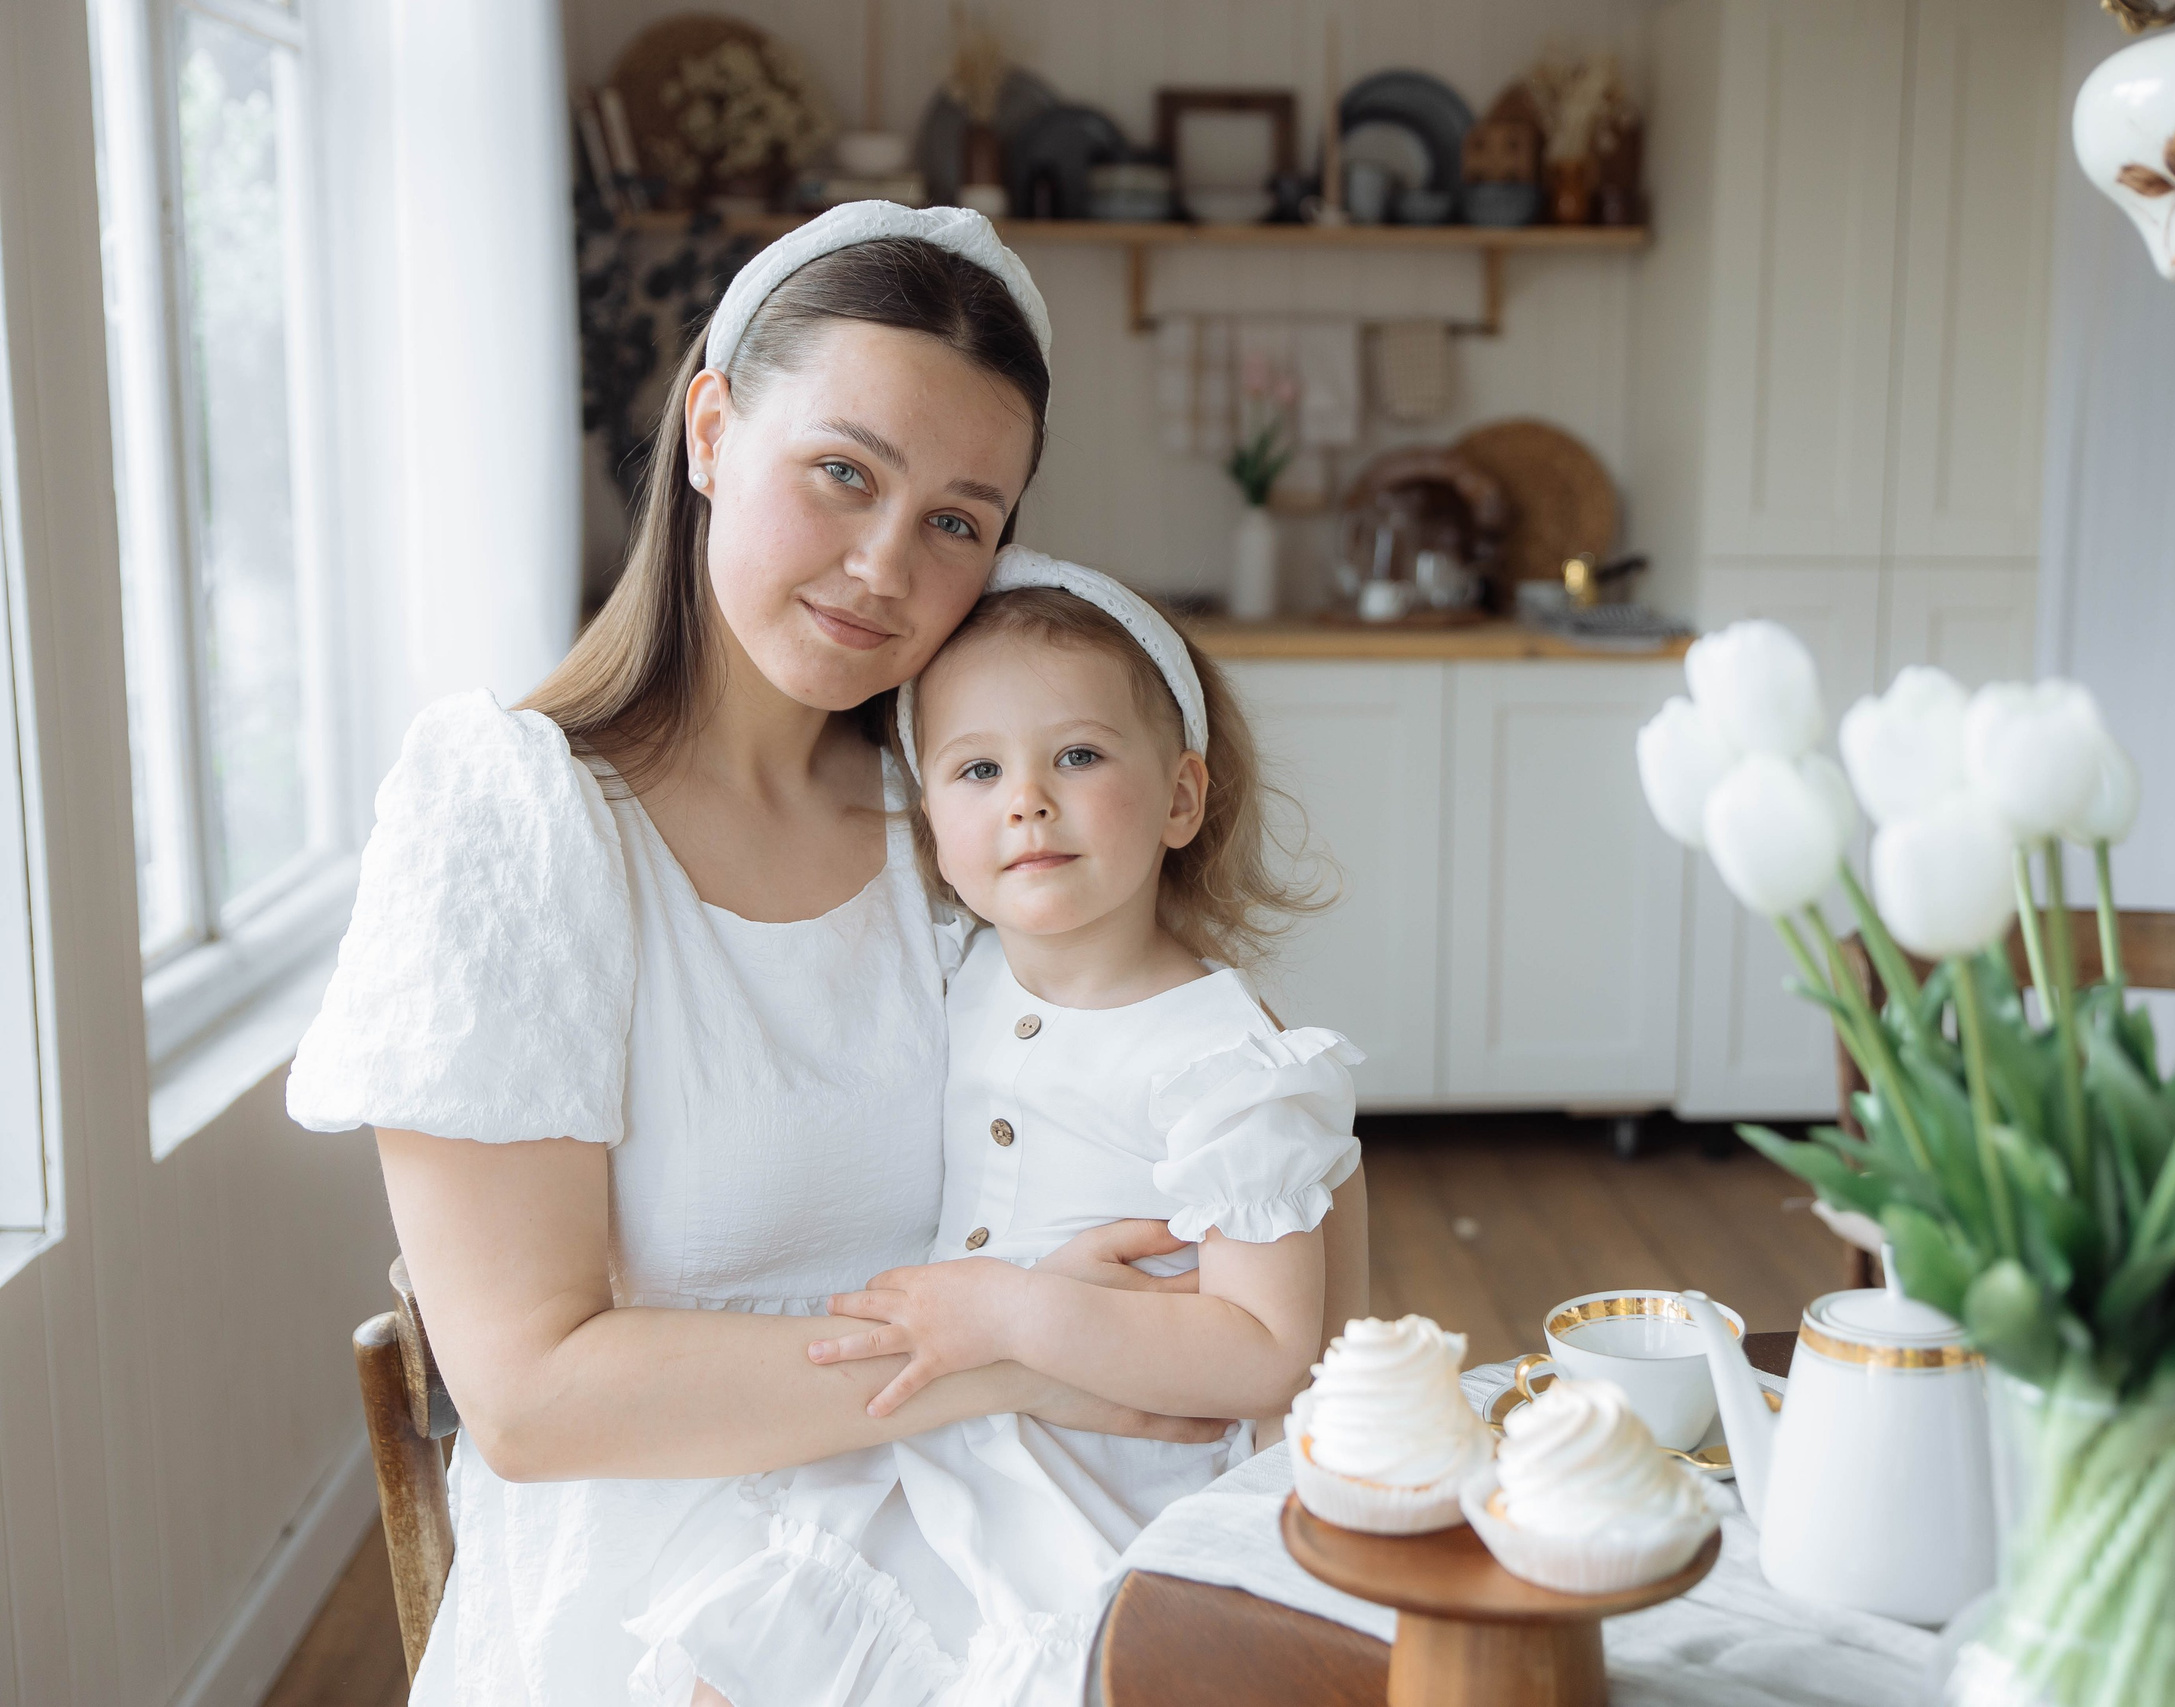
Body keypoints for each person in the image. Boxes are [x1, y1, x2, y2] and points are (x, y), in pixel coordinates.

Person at [284, 204, 1370, 1705]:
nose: (881, 565)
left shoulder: (953, 819)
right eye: (844, 473)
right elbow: (529, 1398)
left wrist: (1167, 1338)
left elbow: (1256, 1140)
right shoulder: (516, 819)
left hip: (993, 1534)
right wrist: (1018, 1354)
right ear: (711, 430)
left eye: (957, 521)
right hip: (664, 1587)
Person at [629, 553, 1358, 1705]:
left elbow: (1268, 1352)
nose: (1026, 799)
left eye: (1078, 755)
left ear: (1180, 797)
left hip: (1105, 1487)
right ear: (931, 825)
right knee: (742, 1669)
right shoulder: (956, 976)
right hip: (932, 1450)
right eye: (978, 769)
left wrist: (1014, 1311)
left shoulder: (1224, 1062)